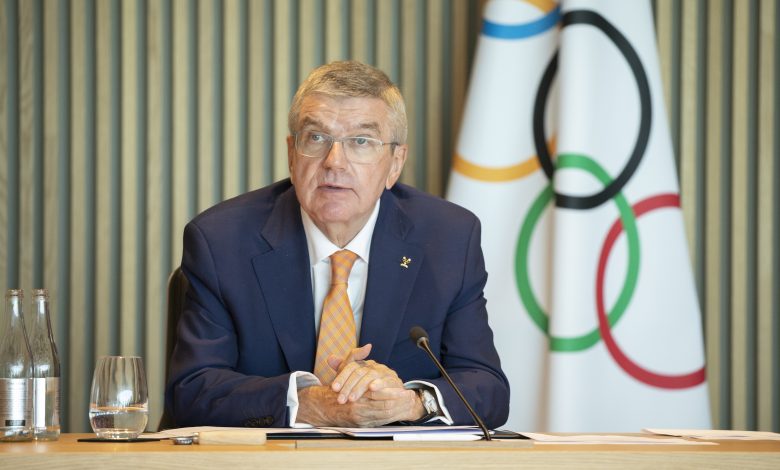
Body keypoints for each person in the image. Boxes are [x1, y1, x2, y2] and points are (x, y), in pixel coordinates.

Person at [164, 60, 509, 429]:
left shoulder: (448, 238)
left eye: (361, 141)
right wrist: (309, 403)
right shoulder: (222, 240)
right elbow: (192, 391)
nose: (334, 162)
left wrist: (410, 403)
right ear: (292, 154)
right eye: (316, 138)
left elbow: (487, 387)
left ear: (395, 163)